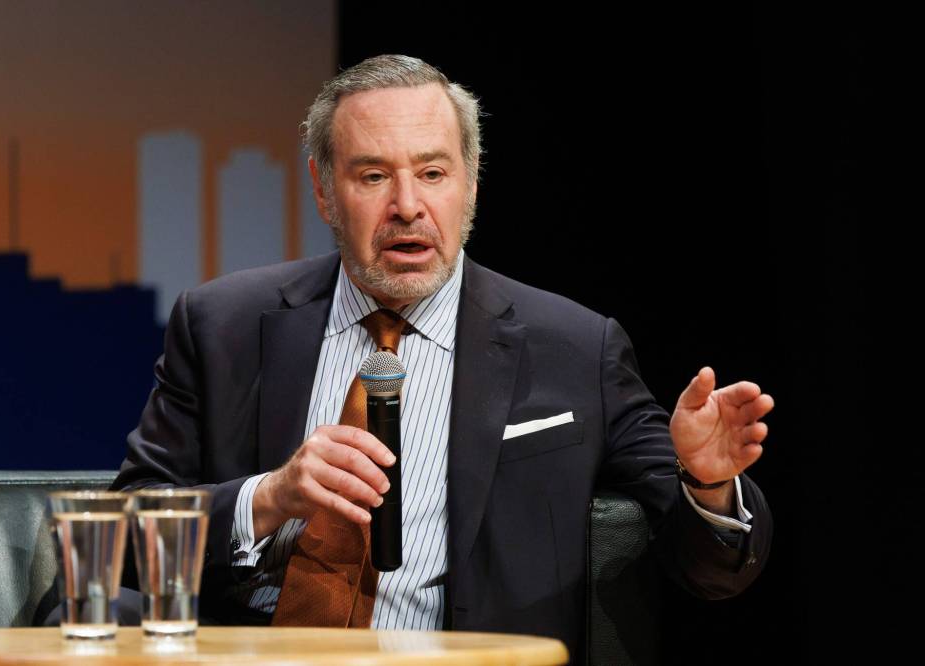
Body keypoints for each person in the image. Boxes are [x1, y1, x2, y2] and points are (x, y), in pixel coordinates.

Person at [110, 54, 774, 662]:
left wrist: (710, 485)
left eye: (432, 172)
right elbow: (120, 538)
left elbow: (710, 570)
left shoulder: (575, 348)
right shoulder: (223, 325)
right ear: (323, 189)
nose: (408, 206)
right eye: (373, 176)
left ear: (472, 183)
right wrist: (268, 497)